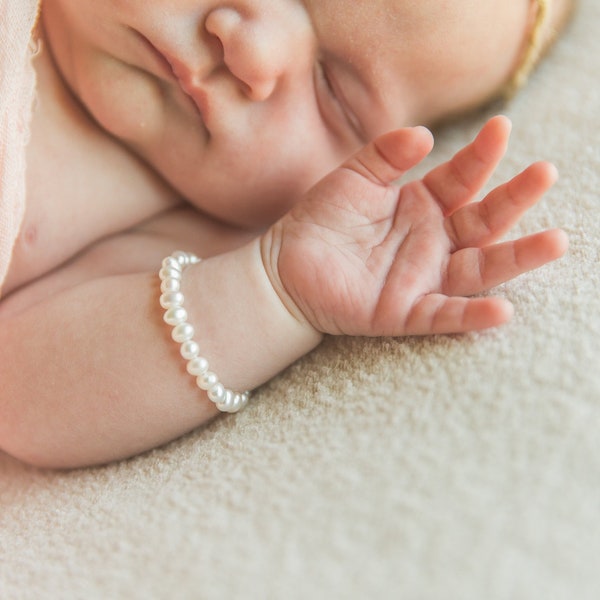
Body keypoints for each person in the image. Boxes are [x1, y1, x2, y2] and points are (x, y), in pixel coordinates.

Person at [0, 0, 574, 468]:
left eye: (335, 94)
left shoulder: (189, 226)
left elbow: (21, 391)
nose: (253, 50)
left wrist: (271, 289)